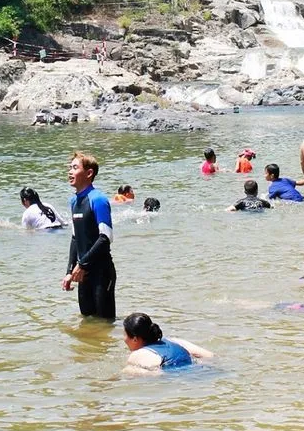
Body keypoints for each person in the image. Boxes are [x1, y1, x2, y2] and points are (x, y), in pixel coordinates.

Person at [62, 151, 116, 319]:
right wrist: (70, 271)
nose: (70, 172)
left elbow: (105, 238)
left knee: (104, 324)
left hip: (101, 272)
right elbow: (75, 238)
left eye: (75, 168)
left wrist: (82, 264)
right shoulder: (74, 202)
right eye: (69, 168)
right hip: (83, 273)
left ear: (89, 173)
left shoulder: (98, 199)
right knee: (88, 322)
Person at [122, 312, 212, 373]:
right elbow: (210, 356)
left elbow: (156, 375)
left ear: (134, 339)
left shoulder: (137, 356)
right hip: (201, 370)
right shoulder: (174, 341)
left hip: (179, 378)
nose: (124, 339)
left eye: (124, 334)